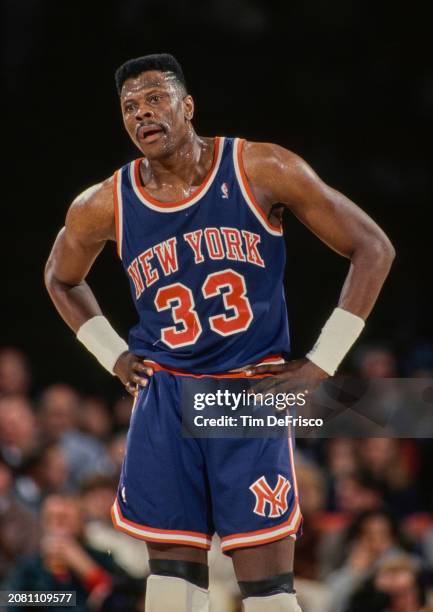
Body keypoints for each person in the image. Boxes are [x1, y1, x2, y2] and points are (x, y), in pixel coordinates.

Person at [44, 53, 395, 611]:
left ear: (187, 106)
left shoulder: (260, 167)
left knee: (267, 591)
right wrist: (111, 354)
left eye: (156, 98)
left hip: (244, 394)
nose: (142, 114)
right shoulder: (103, 203)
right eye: (129, 107)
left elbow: (373, 248)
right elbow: (60, 279)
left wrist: (323, 361)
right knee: (172, 585)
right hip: (166, 395)